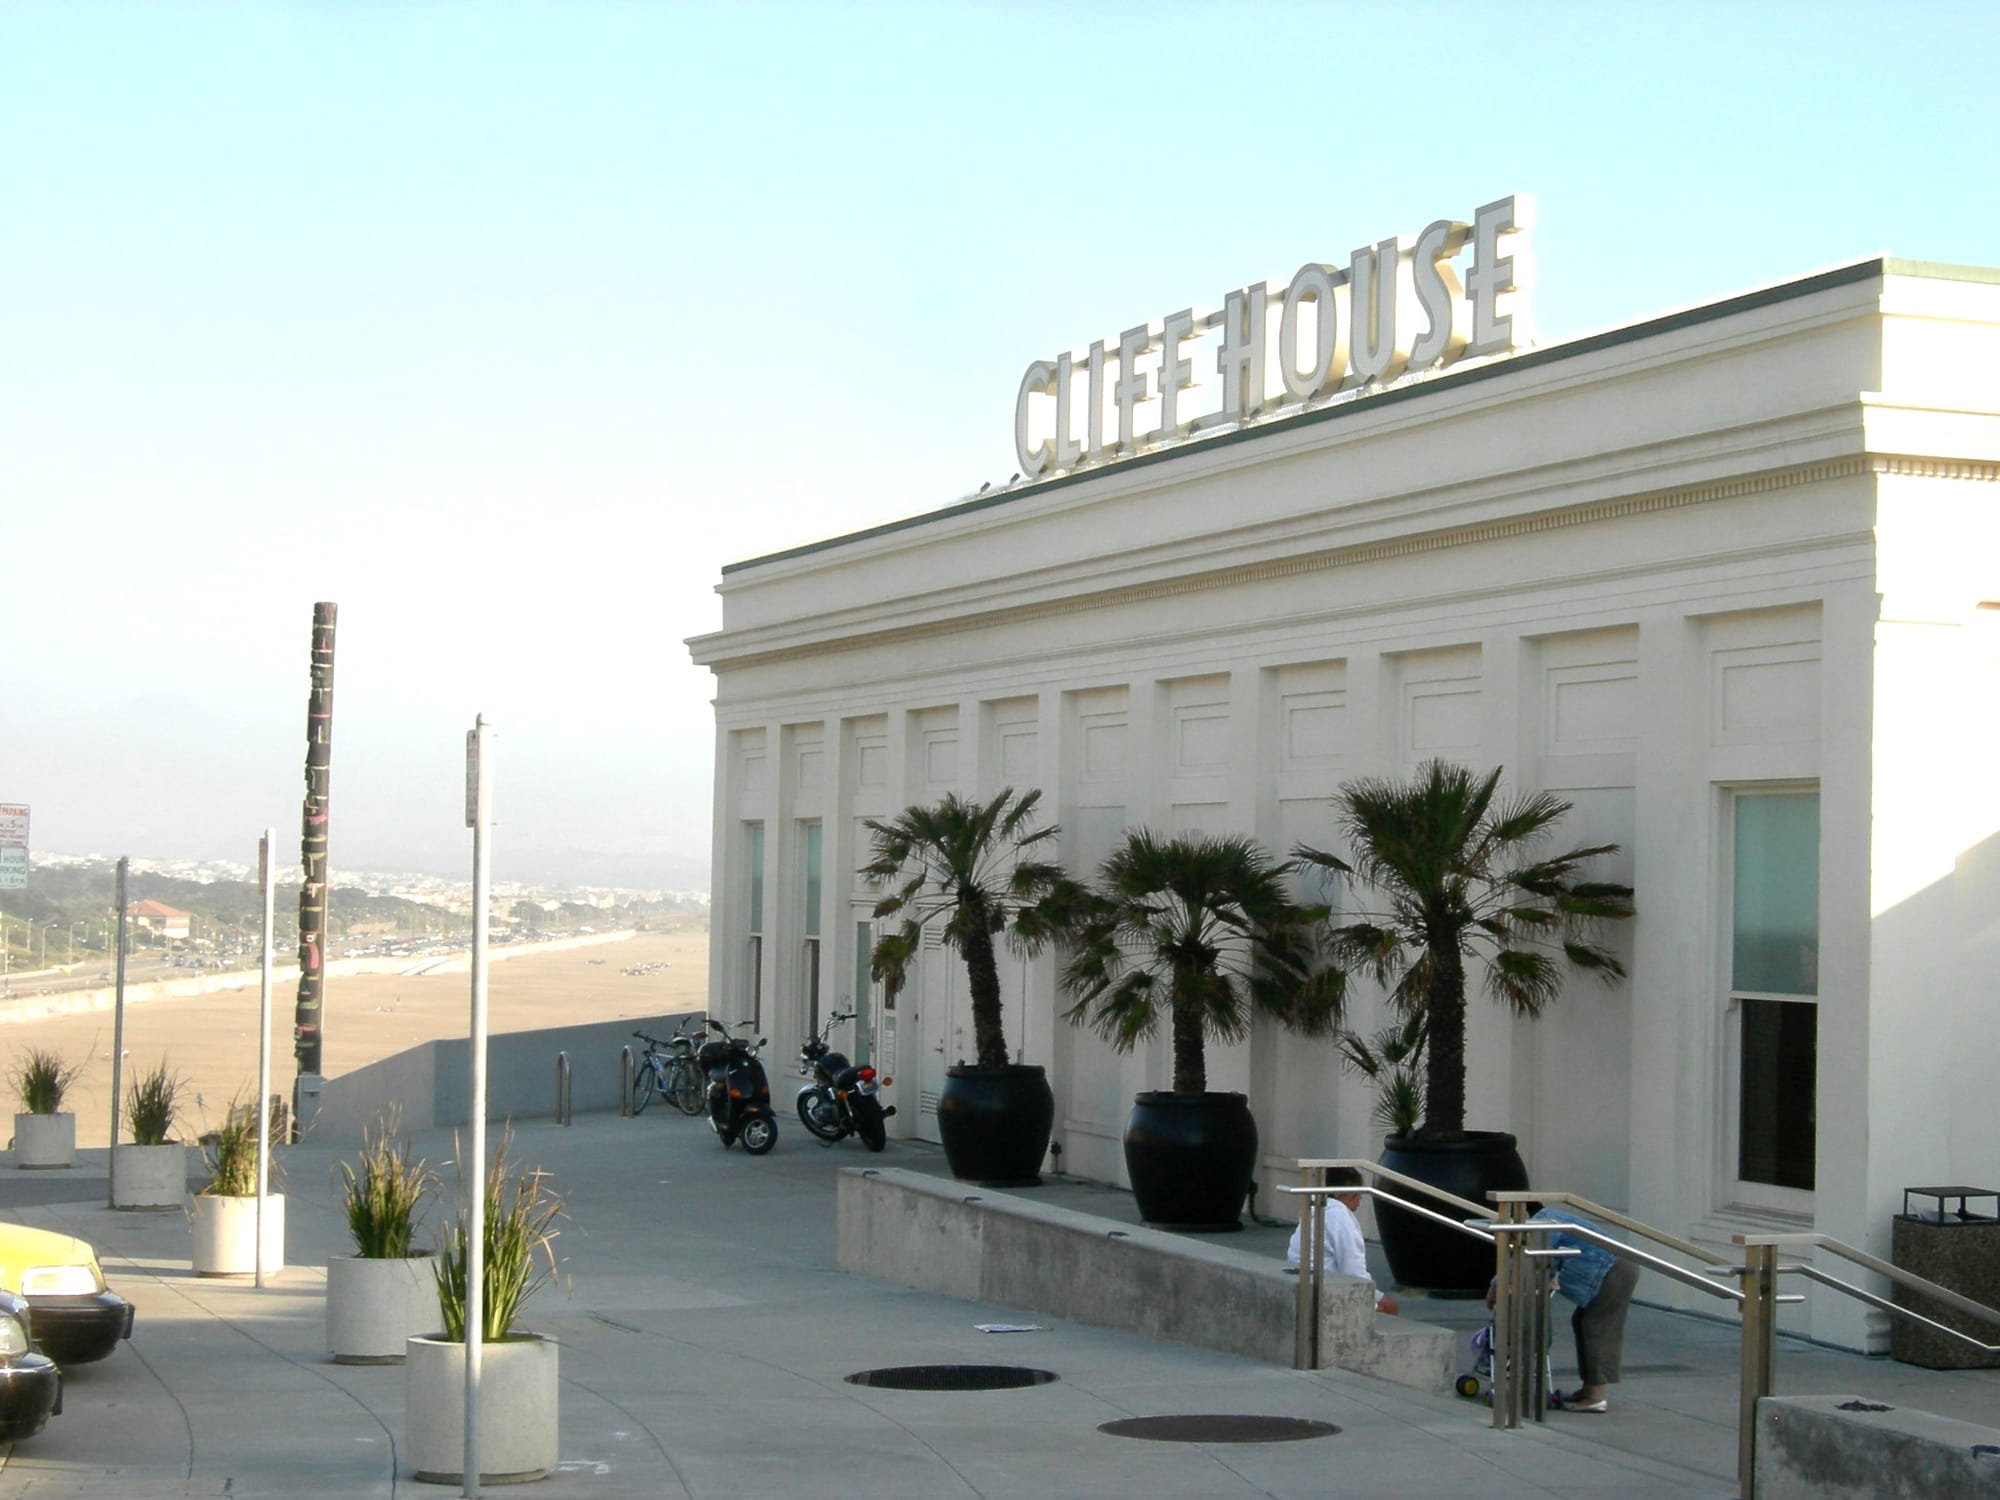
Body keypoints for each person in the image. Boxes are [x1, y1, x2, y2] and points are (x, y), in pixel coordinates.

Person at [1487, 1204, 1638, 1413]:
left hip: (1615, 1270)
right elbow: (1537, 1266)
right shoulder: (1544, 1224)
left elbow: (1526, 1262)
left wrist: (1496, 1288)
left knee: (1596, 1327)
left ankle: (1595, 1397)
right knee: (1582, 1322)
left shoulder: (1542, 1225)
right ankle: (1589, 1389)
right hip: (1615, 1266)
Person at [1286, 1166, 1399, 1314]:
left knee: (1385, 1304)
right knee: (1390, 1308)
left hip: (1307, 1286)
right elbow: (1353, 1272)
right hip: (1326, 1292)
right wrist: (1376, 1303)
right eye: (1358, 1193)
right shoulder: (1340, 1217)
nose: (1360, 1198)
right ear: (1349, 1193)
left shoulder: (1314, 1210)